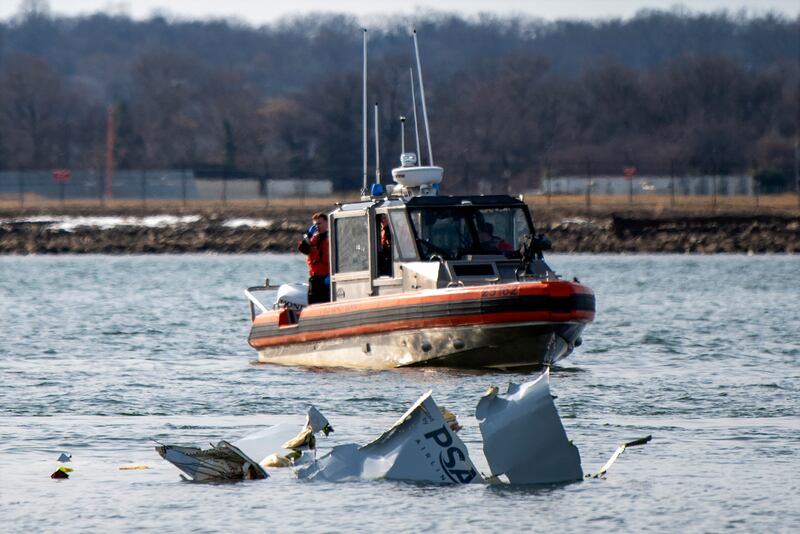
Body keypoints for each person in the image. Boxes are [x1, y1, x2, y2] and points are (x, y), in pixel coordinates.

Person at [298, 212, 330, 304]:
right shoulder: (312, 239)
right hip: (315, 279)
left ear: (327, 223)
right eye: (315, 224)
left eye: (319, 223)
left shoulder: (332, 237)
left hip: (328, 278)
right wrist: (308, 235)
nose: (317, 226)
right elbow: (302, 249)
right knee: (313, 303)